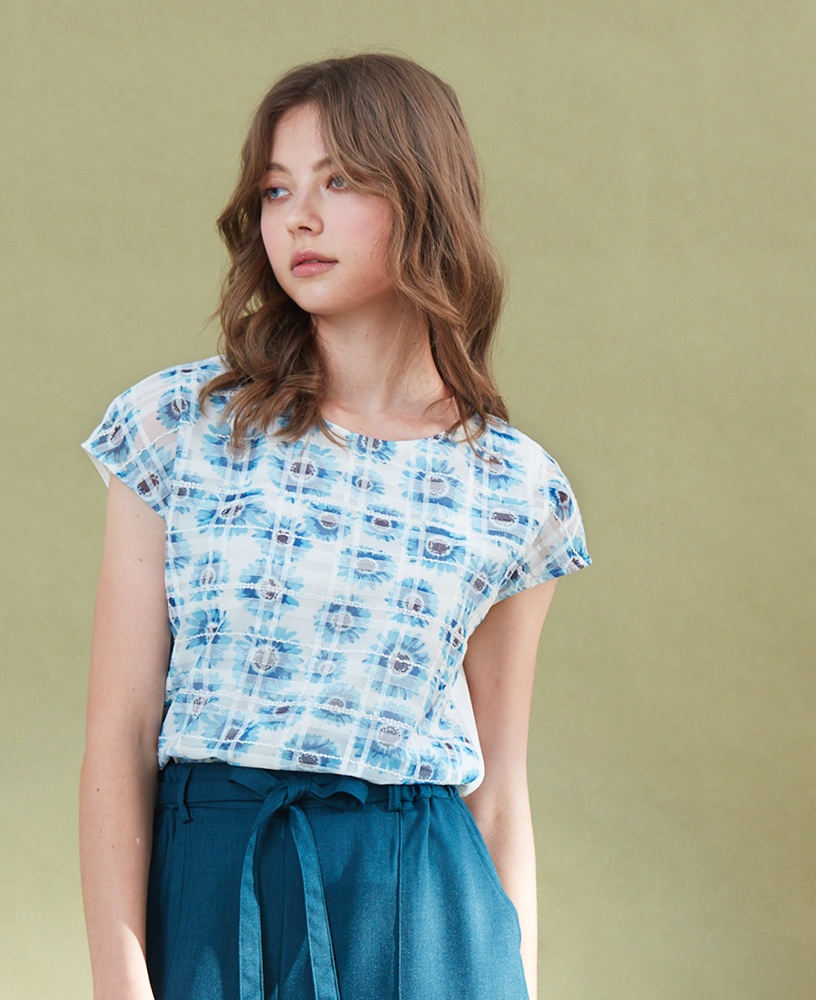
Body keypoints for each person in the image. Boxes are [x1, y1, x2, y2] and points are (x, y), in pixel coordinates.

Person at [79, 53, 590, 1000]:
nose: (298, 219)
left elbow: (498, 796)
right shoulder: (178, 428)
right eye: (277, 190)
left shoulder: (514, 487)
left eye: (340, 181)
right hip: (214, 896)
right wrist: (121, 981)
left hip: (426, 916)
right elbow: (121, 727)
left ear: (424, 199)